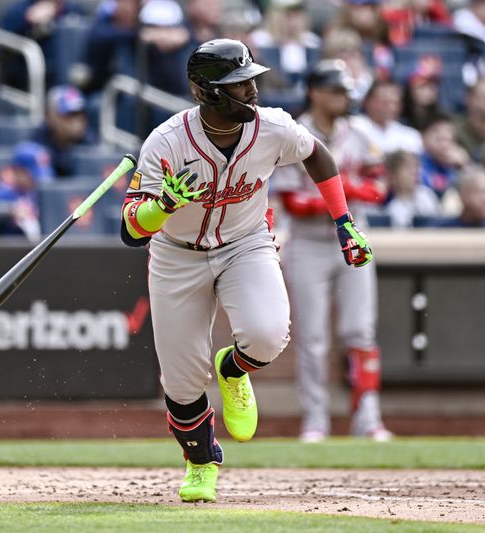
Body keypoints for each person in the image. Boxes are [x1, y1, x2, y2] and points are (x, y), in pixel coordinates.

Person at [120, 39, 373, 503]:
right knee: (181, 380)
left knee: (269, 334)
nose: (252, 90)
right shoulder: (167, 141)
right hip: (178, 253)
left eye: (251, 80)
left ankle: (232, 370)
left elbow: (318, 155)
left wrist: (344, 223)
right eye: (239, 84)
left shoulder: (272, 126)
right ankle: (201, 464)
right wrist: (163, 206)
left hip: (245, 242)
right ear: (206, 92)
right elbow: (131, 228)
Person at [273, 60, 392, 443]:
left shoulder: (358, 133)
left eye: (345, 91)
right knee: (313, 337)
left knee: (360, 331)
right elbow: (293, 202)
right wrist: (346, 191)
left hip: (353, 238)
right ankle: (316, 421)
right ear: (315, 92)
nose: (343, 98)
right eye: (336, 90)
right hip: (308, 243)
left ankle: (368, 420)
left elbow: (380, 189)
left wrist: (349, 192)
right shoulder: (294, 133)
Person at [0, 141, 53, 240]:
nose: (35, 179)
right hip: (10, 249)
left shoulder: (40, 193)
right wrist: (11, 211)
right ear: (18, 171)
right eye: (31, 174)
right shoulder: (3, 192)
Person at [33, 85, 96, 177]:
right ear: (50, 117)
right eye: (69, 115)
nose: (77, 121)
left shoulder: (90, 143)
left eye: (80, 114)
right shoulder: (37, 143)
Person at [383, 149, 441, 228]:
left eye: (415, 167)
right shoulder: (392, 209)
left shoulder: (427, 194)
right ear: (393, 175)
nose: (414, 172)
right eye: (407, 167)